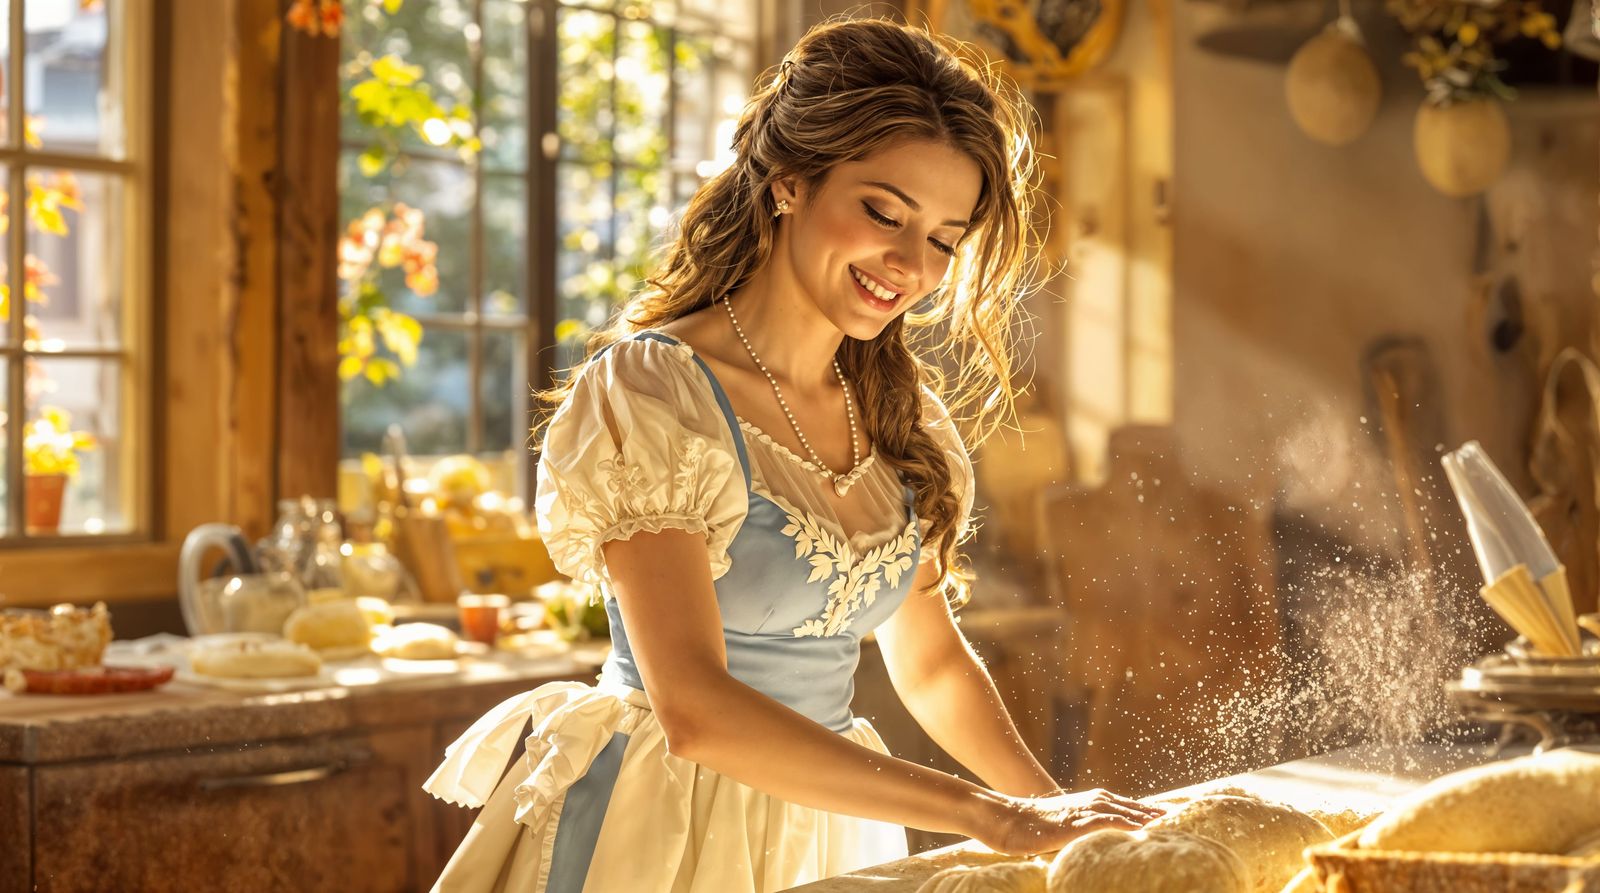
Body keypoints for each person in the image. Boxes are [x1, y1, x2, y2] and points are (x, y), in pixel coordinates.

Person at [423, 16, 1163, 893]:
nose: (909, 265)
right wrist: (985, 815)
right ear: (788, 184)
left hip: (831, 824)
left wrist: (1063, 825)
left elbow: (927, 663)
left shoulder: (902, 417)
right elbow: (693, 709)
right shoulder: (655, 394)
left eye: (942, 239)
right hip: (657, 827)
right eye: (883, 212)